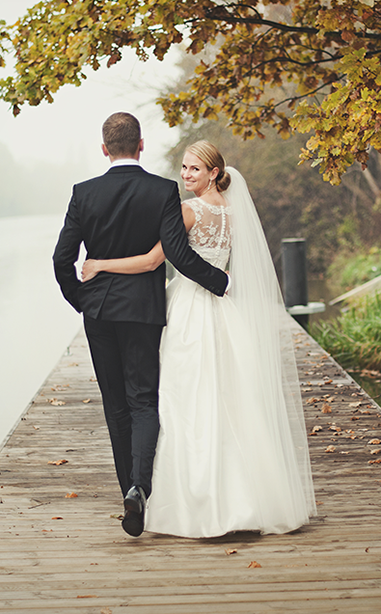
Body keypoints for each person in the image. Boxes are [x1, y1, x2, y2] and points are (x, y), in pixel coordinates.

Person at [81, 141, 317, 537]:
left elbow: (154, 260)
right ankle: (249, 499)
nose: (186, 174)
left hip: (191, 309)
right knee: (230, 400)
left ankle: (197, 503)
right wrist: (222, 282)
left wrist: (101, 263)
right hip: (224, 311)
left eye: (194, 169)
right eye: (185, 168)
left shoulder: (189, 211)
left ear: (213, 172)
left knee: (182, 400)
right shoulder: (235, 211)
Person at [52, 114, 229, 538]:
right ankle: (140, 486)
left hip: (99, 312)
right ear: (142, 145)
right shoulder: (162, 191)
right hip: (145, 311)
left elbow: (62, 260)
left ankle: (128, 494)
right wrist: (222, 282)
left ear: (104, 148)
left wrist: (83, 300)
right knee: (143, 402)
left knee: (116, 406)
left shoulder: (83, 193)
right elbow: (174, 253)